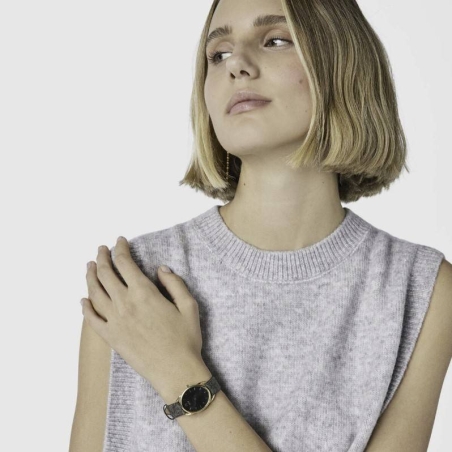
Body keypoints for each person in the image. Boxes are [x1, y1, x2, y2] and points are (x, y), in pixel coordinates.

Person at [70, 0, 452, 451]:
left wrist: (176, 369)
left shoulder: (422, 290)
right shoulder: (132, 286)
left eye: (275, 41)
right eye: (218, 54)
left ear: (341, 62)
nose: (238, 65)